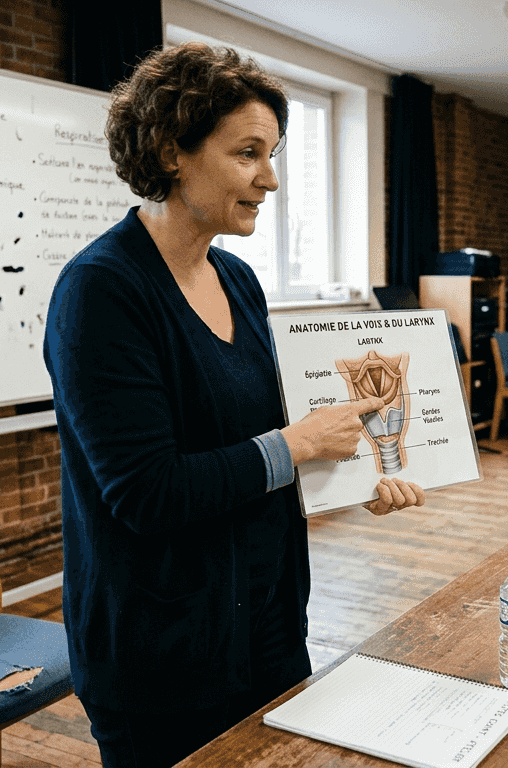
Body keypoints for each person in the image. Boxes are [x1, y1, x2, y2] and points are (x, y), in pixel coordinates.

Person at [43, 43, 424, 768]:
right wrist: (303, 446)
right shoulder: (101, 293)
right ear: (169, 149)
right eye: (248, 152)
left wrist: (350, 480)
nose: (270, 179)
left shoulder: (240, 281)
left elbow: (259, 448)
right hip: (161, 652)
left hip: (268, 627)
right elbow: (147, 494)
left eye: (273, 153)